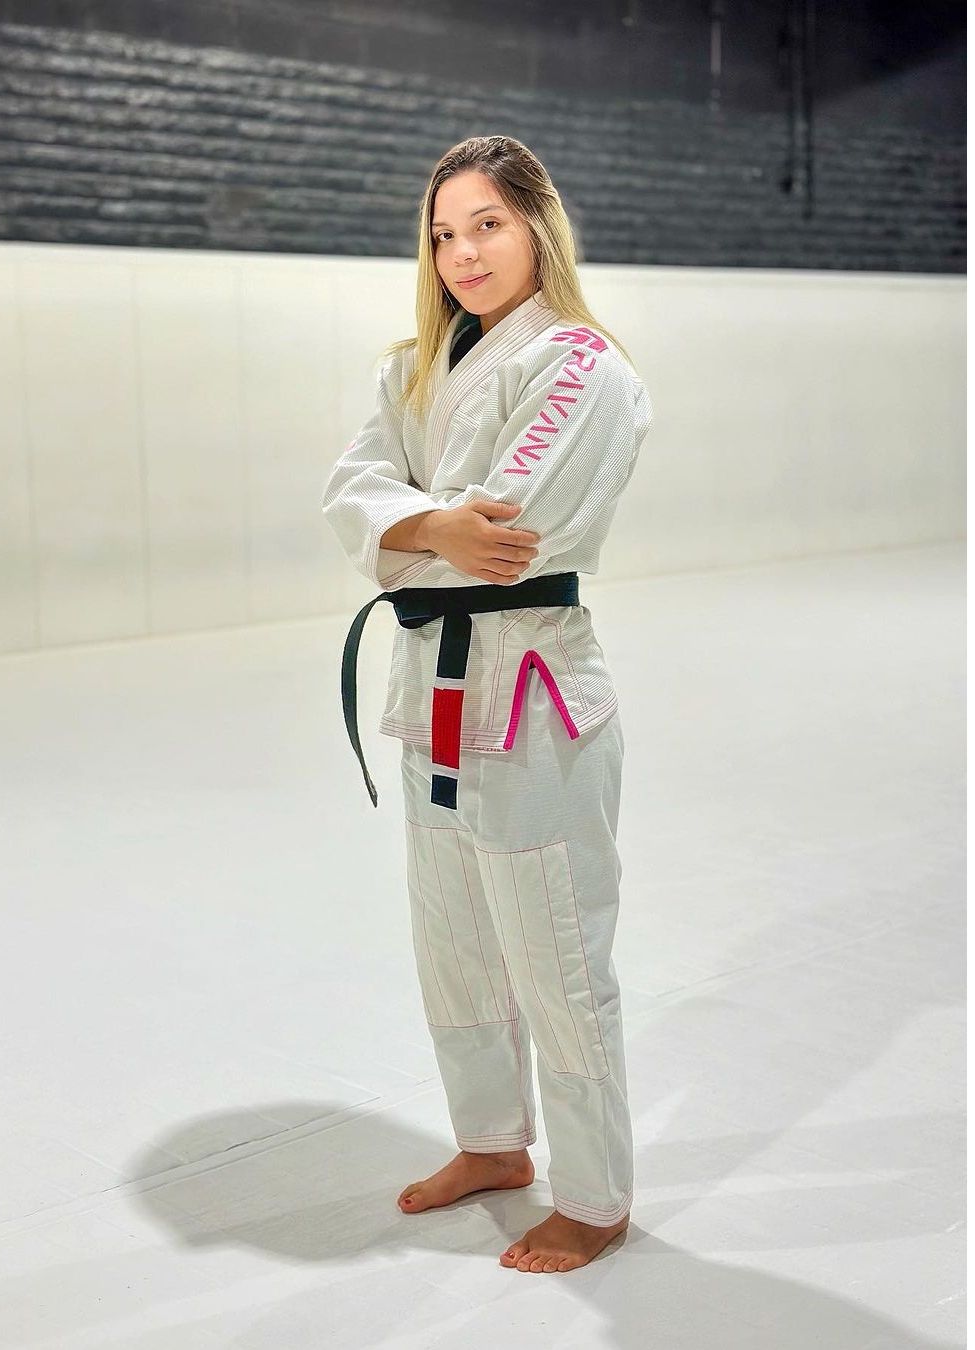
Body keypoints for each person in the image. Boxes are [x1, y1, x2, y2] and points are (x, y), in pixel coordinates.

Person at [321, 135, 652, 1274]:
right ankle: (492, 1143)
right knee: (453, 938)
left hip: (533, 693)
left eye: (488, 225)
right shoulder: (412, 369)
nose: (463, 252)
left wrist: (413, 529)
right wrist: (430, 524)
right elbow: (349, 492)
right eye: (444, 233)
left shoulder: (581, 364)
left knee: (557, 952)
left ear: (537, 227)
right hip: (431, 690)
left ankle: (596, 1198)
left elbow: (511, 531)